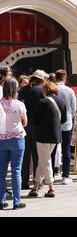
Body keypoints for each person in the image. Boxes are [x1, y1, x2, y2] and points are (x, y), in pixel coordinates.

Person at [28, 81, 67, 198]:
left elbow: (34, 120)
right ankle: (35, 186)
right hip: (55, 135)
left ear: (46, 90)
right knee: (43, 160)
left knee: (46, 161)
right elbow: (64, 119)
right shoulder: (61, 102)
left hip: (42, 135)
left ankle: (51, 187)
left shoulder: (42, 102)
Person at [0, 78, 27, 210]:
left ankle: (1, 200)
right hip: (17, 138)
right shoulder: (19, 104)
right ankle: (17, 201)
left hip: (1, 139)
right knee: (16, 170)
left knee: (1, 171)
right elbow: (25, 122)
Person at [18, 70, 47, 189]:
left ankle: (24, 181)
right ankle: (37, 181)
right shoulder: (41, 91)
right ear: (41, 80)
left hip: (24, 126)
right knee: (37, 155)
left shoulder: (23, 90)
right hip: (37, 126)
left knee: (25, 155)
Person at [55, 69, 76, 184]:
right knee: (66, 148)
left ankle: (52, 173)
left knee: (52, 148)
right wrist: (71, 118)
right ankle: (65, 175)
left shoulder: (52, 89)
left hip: (53, 122)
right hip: (67, 122)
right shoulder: (69, 91)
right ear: (65, 78)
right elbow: (73, 108)